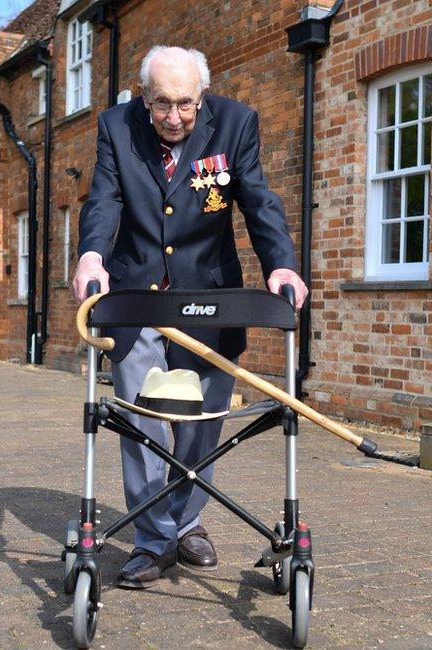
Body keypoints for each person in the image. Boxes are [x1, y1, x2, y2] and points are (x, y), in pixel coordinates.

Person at [73, 45, 308, 589]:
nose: (174, 117)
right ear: (141, 96)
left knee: (203, 423)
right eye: (161, 104)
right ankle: (154, 540)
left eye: (185, 104)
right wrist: (91, 256)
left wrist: (282, 267)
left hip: (211, 294)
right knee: (141, 418)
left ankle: (189, 522)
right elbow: (104, 200)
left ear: (202, 96)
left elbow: (257, 199)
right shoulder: (115, 126)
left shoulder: (236, 122)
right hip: (137, 296)